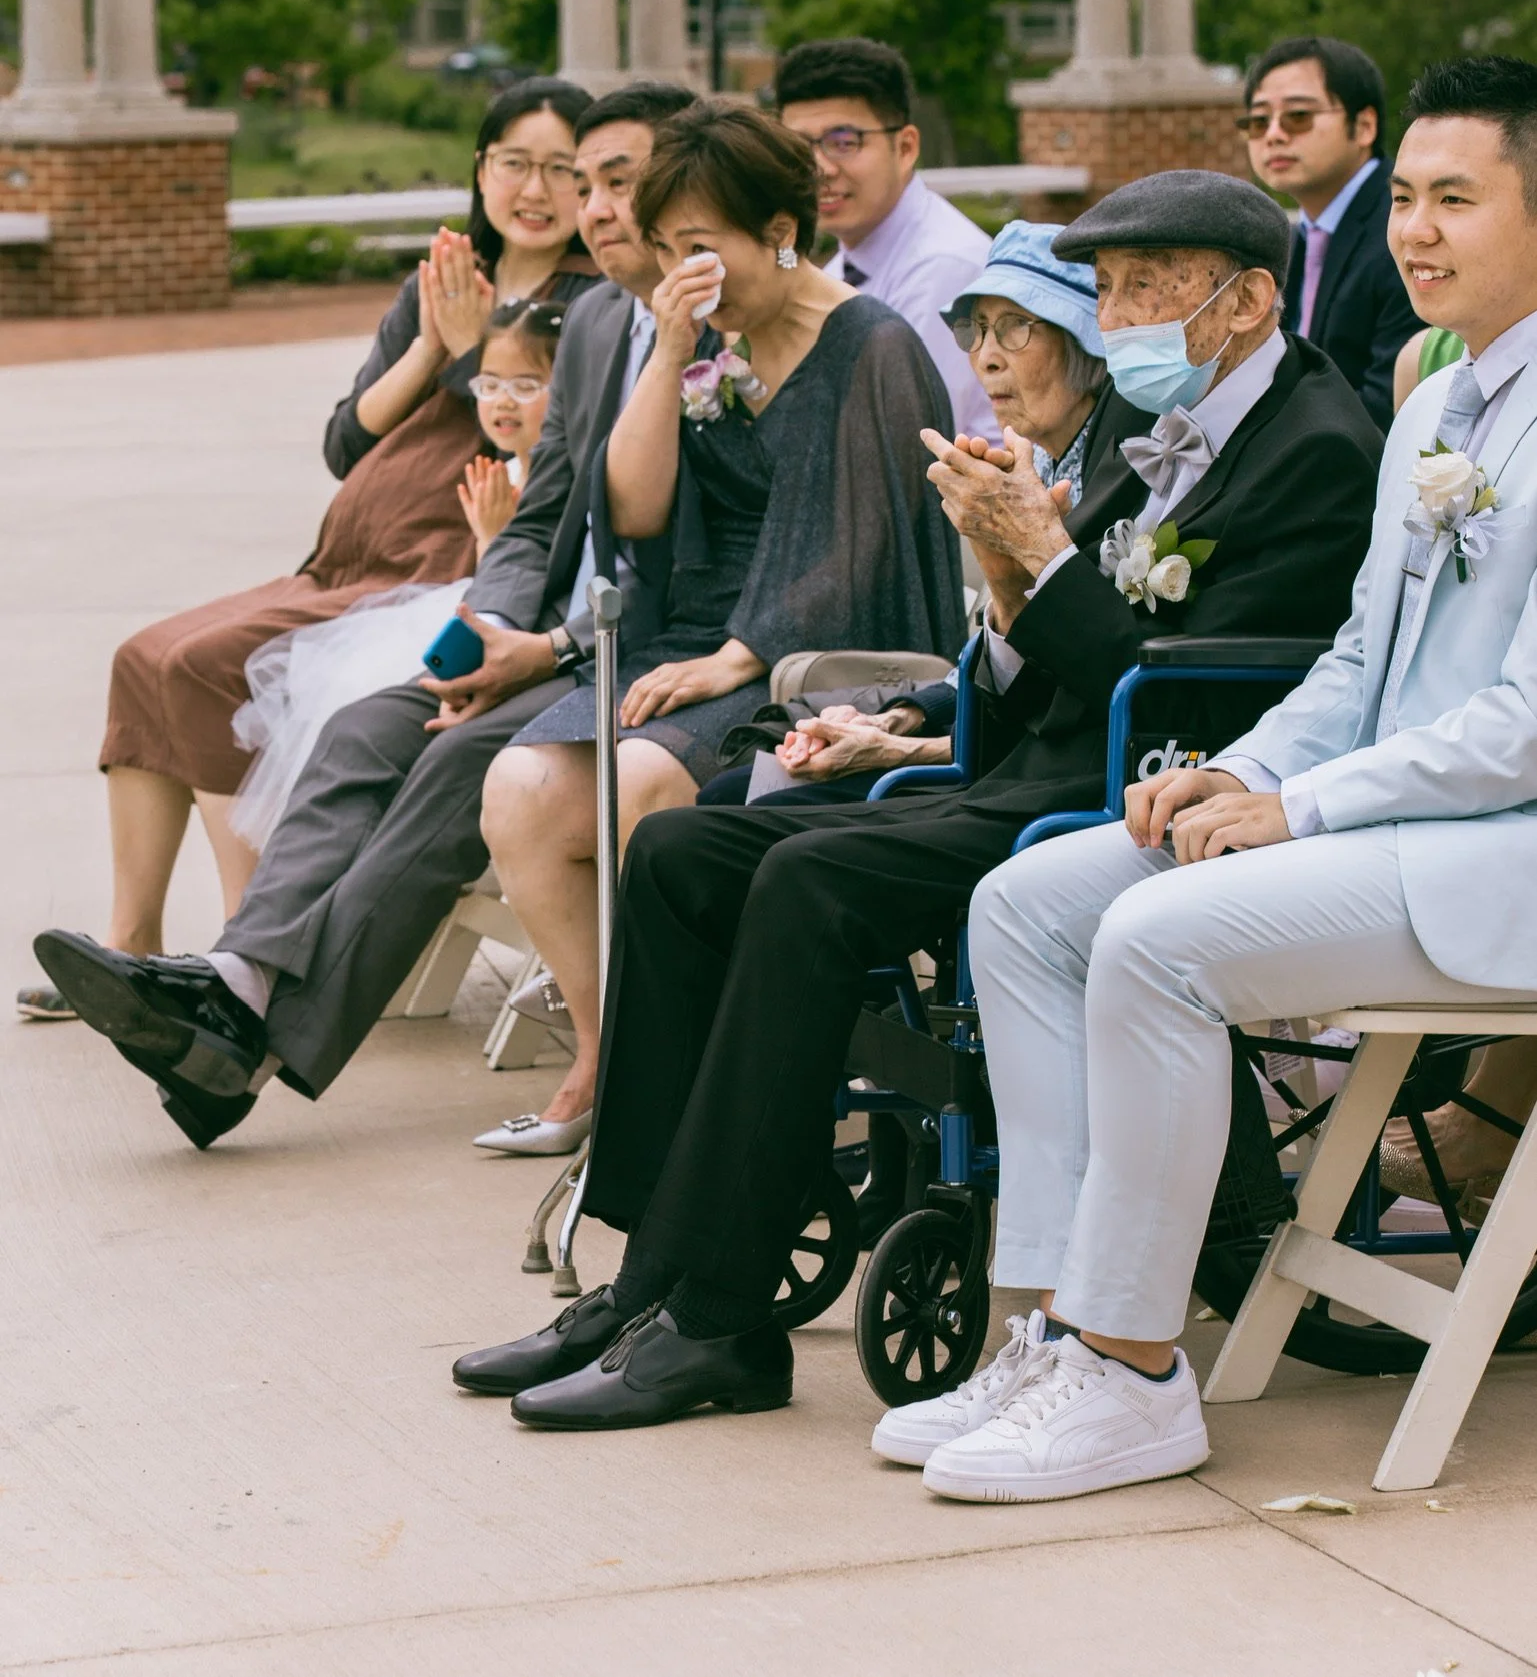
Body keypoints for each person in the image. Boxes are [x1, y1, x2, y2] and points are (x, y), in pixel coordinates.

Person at [455, 167, 1382, 1420]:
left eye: (1142, 290)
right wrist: (996, 590)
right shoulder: (1148, 422)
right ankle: (648, 1272)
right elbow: (1041, 656)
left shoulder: (1315, 448)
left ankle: (722, 1318)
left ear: (1247, 300)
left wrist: (1040, 557)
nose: (1115, 319)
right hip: (1032, 767)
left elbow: (1191, 706)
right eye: (1106, 291)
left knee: (808, 877)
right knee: (680, 850)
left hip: (1139, 797)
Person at [890, 52, 1537, 1509]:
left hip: (1501, 852)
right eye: (1405, 199)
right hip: (1395, 826)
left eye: (1455, 199)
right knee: (1027, 902)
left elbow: (1525, 725)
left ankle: (1133, 1369)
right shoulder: (1434, 408)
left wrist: (1294, 808)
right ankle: (1045, 1324)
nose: (1413, 230)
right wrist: (1233, 770)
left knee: (1156, 938)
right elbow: (1359, 663)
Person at [30, 82, 692, 1143]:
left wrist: (538, 646)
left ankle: (235, 1037)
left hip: (604, 647)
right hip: (497, 610)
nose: (580, 200)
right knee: (365, 724)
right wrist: (474, 641)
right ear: (479, 169)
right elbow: (517, 518)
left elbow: (646, 550)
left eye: (604, 179)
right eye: (568, 176)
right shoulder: (588, 316)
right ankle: (231, 981)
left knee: (444, 758)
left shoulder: (641, 320)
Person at [469, 98, 965, 1155]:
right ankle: (608, 1051)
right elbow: (635, 507)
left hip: (823, 656)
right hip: (696, 630)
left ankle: (683, 1069)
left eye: (697, 246)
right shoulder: (706, 341)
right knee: (520, 789)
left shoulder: (872, 345)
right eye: (663, 249)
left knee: (642, 780)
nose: (677, 270)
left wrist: (736, 656)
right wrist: (667, 352)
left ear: (779, 232)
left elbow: (862, 551)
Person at [707, 218, 1107, 809]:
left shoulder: (1121, 469)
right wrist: (898, 715)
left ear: (1086, 340)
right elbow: (995, 659)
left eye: (1016, 327)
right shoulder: (1035, 463)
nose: (986, 358)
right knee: (734, 789)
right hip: (973, 734)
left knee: (751, 813)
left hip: (1040, 778)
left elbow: (1069, 699)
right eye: (978, 330)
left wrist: (900, 749)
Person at [225, 298, 564, 854]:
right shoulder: (498, 472)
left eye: (526, 386)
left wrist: (494, 537)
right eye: (489, 384)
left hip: (514, 636)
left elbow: (529, 588)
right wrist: (489, 538)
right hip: (463, 609)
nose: (503, 401)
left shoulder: (562, 481)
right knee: (348, 702)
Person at [774, 37, 995, 440]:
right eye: (799, 147)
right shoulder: (842, 266)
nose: (819, 168)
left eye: (843, 143)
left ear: (905, 147)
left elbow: (909, 440)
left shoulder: (945, 267)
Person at [1241, 33, 1419, 429]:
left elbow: (1389, 407)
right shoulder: (1295, 236)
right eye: (1258, 121)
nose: (1273, 134)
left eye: (1298, 116)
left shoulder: (1407, 227)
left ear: (1364, 126)